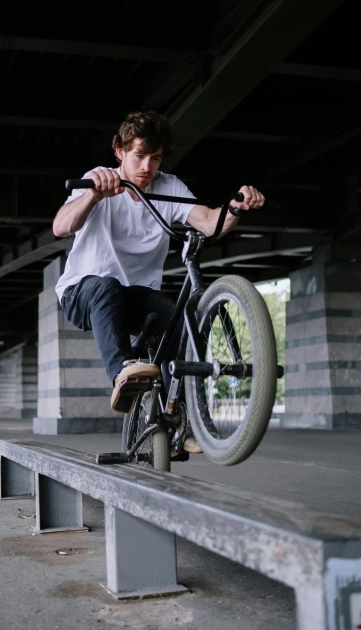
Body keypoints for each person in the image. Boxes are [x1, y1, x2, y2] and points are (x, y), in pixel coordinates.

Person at [53, 110, 264, 453]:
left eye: (155, 158)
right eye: (138, 156)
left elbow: (209, 221)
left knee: (174, 315)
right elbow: (61, 227)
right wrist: (92, 195)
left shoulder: (169, 187)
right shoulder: (99, 178)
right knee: (106, 286)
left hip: (136, 296)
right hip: (83, 292)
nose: (146, 167)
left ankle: (174, 415)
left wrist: (236, 207)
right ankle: (123, 372)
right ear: (120, 151)